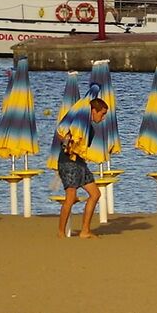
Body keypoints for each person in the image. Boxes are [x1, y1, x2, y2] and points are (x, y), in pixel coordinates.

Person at [54, 97, 108, 238]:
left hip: (80, 163)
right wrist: (67, 142)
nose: (103, 118)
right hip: (67, 162)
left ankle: (85, 231)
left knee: (95, 194)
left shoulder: (89, 129)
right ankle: (61, 232)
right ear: (93, 111)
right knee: (71, 197)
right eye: (102, 114)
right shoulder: (77, 122)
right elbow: (61, 133)